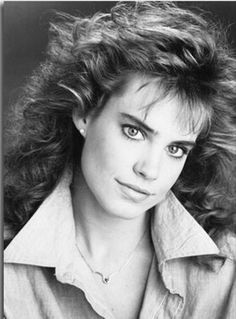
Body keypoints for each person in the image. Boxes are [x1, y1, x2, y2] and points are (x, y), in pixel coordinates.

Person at [4, 1, 236, 318]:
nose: (150, 170)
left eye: (176, 149)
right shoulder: (9, 264)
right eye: (134, 131)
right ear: (84, 112)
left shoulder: (226, 273)